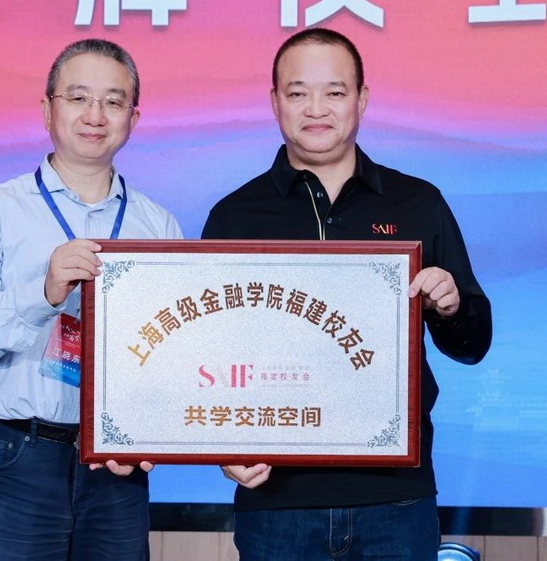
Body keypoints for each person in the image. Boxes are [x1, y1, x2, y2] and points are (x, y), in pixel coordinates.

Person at [201, 28, 492, 560]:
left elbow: (473, 345)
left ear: (361, 99)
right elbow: (207, 357)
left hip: (396, 497)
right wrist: (222, 449)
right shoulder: (234, 216)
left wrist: (449, 307)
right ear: (275, 102)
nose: (317, 108)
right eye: (298, 92)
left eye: (334, 92)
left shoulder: (417, 202)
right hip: (277, 502)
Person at [0, 38, 182, 560]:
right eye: (78, 98)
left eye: (113, 102)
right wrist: (40, 294)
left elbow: (172, 357)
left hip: (116, 463)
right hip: (21, 452)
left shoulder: (157, 225)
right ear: (47, 109)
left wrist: (149, 434)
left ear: (133, 119)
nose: (95, 115)